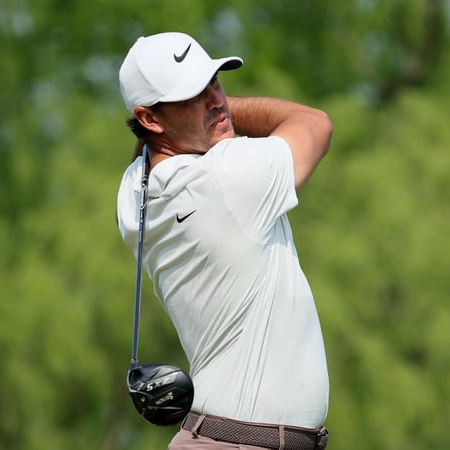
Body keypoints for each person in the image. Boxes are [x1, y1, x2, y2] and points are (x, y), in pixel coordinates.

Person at [116, 32, 332, 450]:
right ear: (150, 119)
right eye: (193, 94)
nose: (216, 99)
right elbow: (315, 124)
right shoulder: (226, 177)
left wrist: (195, 117)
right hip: (240, 442)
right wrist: (227, 114)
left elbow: (142, 152)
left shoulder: (133, 194)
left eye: (214, 81)